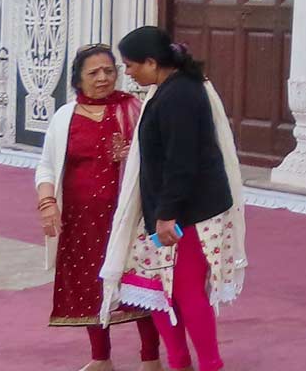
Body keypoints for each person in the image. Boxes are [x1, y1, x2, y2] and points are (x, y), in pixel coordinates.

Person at [98, 28, 248, 371]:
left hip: (189, 213)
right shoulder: (167, 90)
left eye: (131, 65)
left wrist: (167, 215)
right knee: (150, 284)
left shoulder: (181, 95)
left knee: (185, 290)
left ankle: (210, 364)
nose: (129, 72)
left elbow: (181, 161)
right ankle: (179, 361)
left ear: (153, 62)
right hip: (165, 211)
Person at [35, 44, 160, 370]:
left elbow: (157, 158)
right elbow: (47, 166)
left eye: (109, 71)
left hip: (128, 218)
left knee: (139, 284)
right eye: (94, 72)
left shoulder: (134, 109)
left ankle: (151, 358)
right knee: (92, 286)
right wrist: (47, 204)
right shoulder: (65, 117)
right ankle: (101, 358)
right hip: (81, 220)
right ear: (78, 78)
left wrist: (133, 157)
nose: (103, 78)